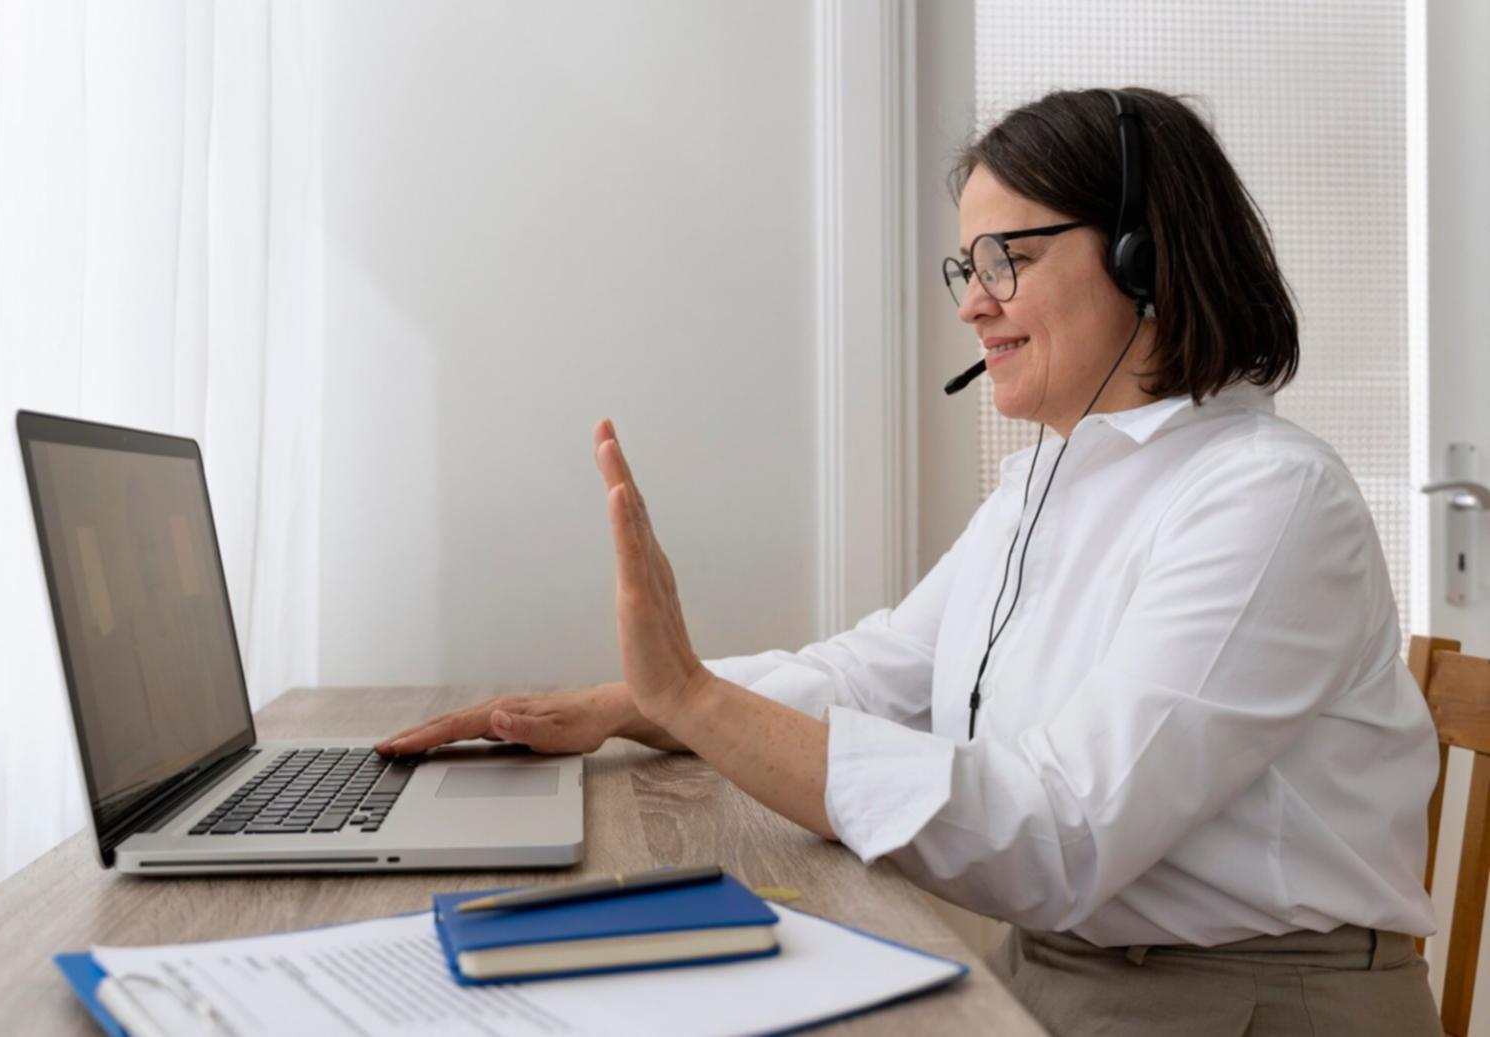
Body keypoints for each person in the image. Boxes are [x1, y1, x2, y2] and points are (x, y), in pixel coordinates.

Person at [378, 87, 1441, 1035]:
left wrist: (695, 700)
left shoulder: (1267, 498)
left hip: (1244, 1004)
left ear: (1141, 258)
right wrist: (617, 705)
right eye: (964, 266)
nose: (972, 302)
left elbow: (1060, 834)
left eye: (1004, 260)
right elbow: (876, 670)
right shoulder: (1046, 482)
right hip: (1060, 972)